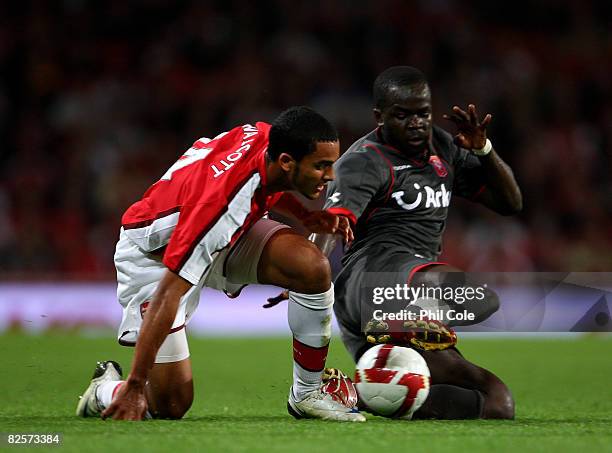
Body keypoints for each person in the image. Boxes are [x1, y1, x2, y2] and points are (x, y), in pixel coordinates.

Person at [75, 106, 365, 422]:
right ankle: (107, 390)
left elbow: (269, 185)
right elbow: (167, 295)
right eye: (321, 166)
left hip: (224, 233)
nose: (330, 175)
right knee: (170, 404)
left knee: (311, 267)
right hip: (155, 257)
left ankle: (307, 394)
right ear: (286, 161)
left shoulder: (271, 140)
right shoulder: (219, 207)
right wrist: (134, 383)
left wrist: (307, 216)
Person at [267, 66, 522, 419]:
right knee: (466, 292)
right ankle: (406, 319)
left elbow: (510, 203)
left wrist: (483, 150)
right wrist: (304, 272)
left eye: (423, 113)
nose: (416, 122)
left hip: (405, 296)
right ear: (379, 116)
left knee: (497, 403)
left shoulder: (443, 147)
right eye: (403, 115)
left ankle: (356, 393)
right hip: (370, 279)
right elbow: (332, 222)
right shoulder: (364, 160)